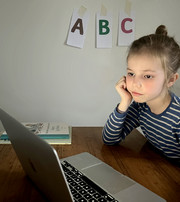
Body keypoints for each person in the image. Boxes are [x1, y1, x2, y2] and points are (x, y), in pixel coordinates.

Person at [102, 25, 180, 160]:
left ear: (170, 79)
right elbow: (109, 139)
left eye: (147, 76)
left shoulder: (177, 119)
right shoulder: (141, 107)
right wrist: (124, 102)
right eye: (131, 73)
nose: (135, 83)